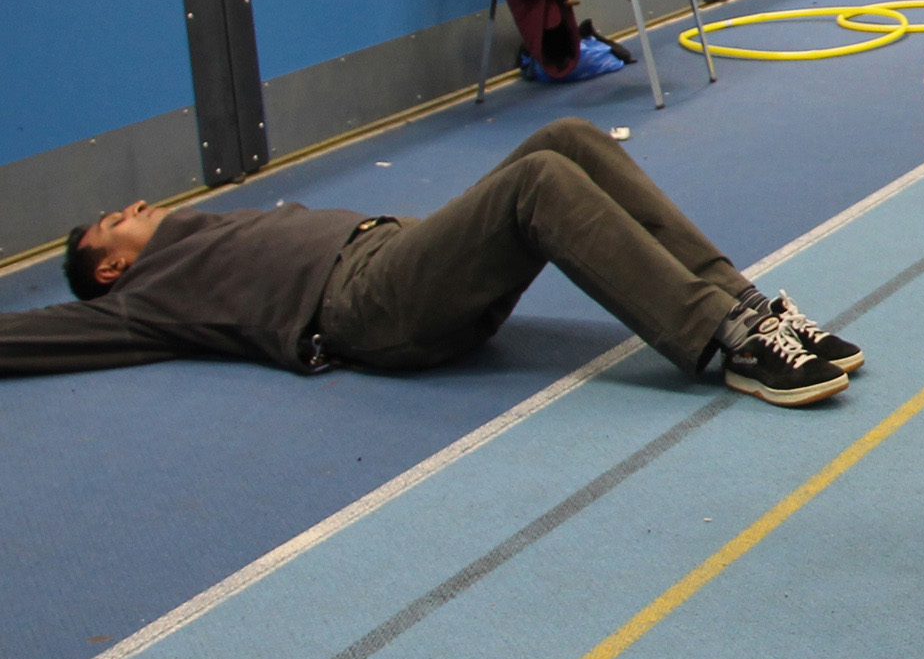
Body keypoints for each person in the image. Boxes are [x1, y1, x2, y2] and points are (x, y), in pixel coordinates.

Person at [2, 119, 861, 406]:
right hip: (366, 308)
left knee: (567, 139)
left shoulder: (209, 228)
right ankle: (725, 344)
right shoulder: (139, 300)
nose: (133, 208)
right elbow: (30, 336)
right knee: (535, 183)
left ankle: (750, 309)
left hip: (399, 253)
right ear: (109, 269)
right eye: (115, 222)